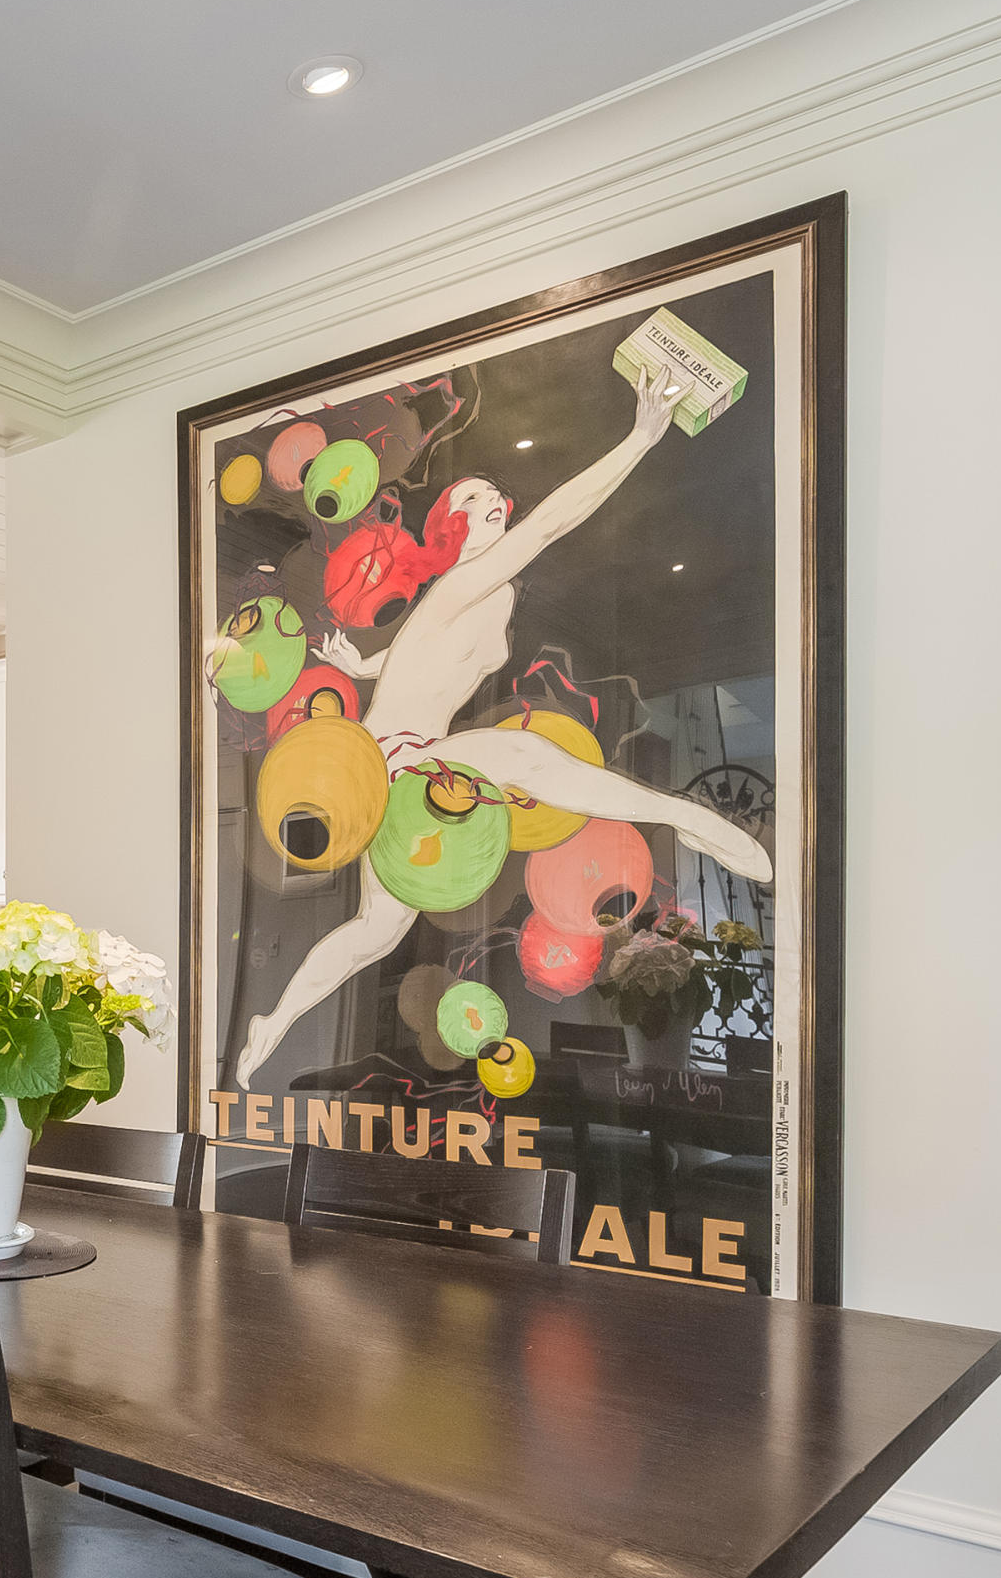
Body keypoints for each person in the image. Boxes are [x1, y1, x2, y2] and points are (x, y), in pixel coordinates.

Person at [234, 355, 775, 1087]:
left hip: (405, 761)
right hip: (401, 758)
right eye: (480, 498)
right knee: (524, 767)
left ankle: (278, 1018)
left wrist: (357, 666)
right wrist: (642, 438)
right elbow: (555, 519)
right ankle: (690, 820)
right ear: (454, 527)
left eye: (496, 498)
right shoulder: (467, 581)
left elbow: (405, 661)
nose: (497, 504)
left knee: (376, 930)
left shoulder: (481, 601)